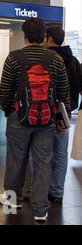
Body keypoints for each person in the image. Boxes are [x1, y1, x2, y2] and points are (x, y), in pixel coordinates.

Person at [0, 18, 70, 222]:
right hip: (46, 120)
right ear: (43, 36)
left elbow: (5, 91)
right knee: (43, 162)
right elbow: (63, 93)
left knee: (15, 160)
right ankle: (40, 209)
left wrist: (9, 111)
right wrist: (59, 120)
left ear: (25, 35)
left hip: (18, 118)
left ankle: (13, 201)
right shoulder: (55, 60)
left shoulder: (14, 58)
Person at [42, 25, 82, 202]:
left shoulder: (49, 59)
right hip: (65, 112)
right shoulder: (73, 60)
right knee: (60, 153)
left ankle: (41, 190)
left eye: (44, 38)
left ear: (50, 39)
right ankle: (57, 190)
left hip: (48, 111)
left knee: (42, 153)